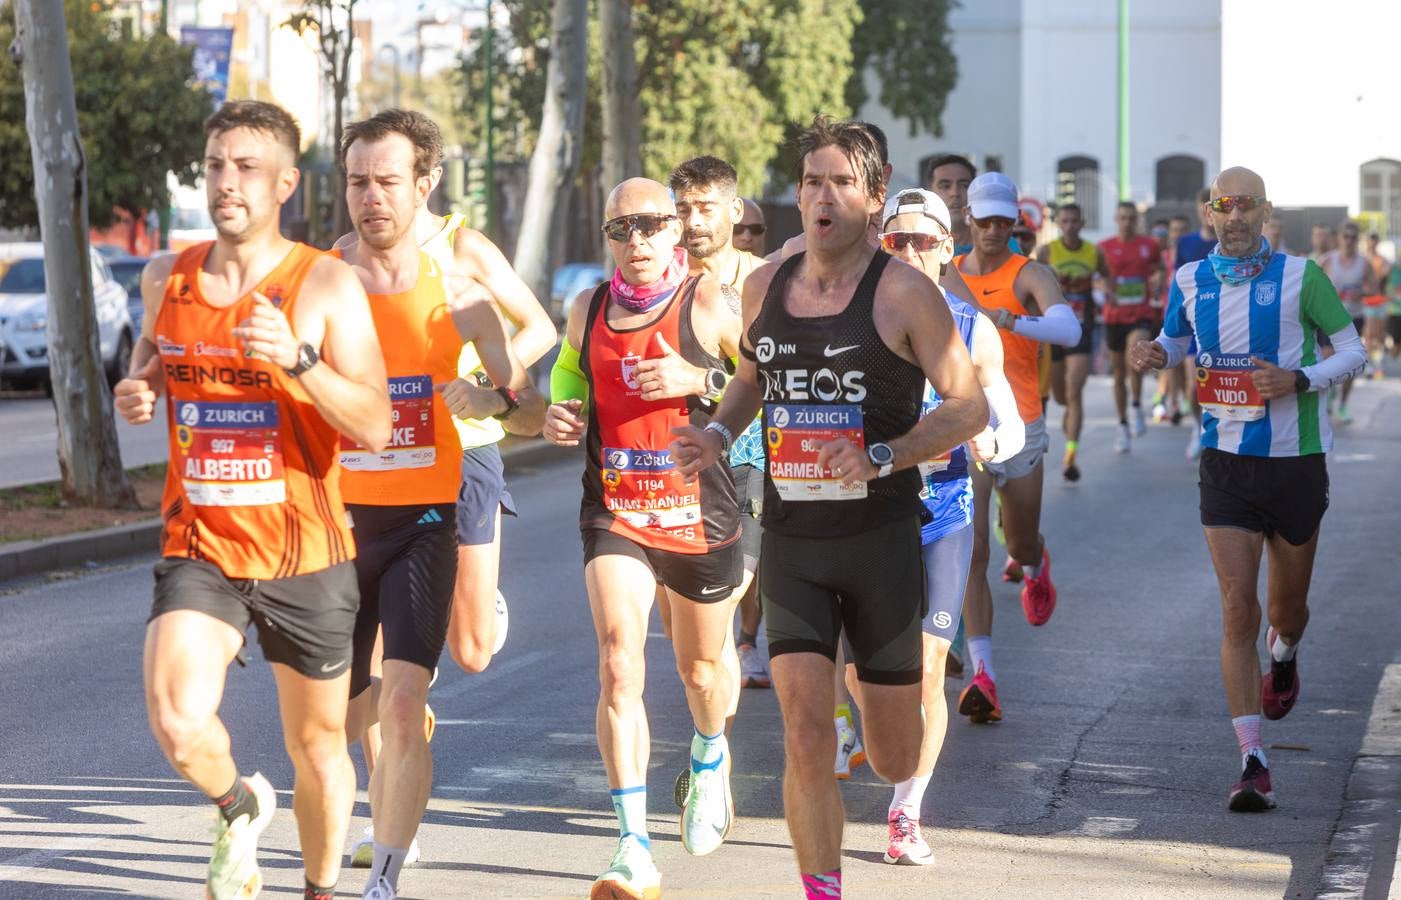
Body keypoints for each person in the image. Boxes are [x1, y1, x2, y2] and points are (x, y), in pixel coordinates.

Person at [671, 116, 987, 898]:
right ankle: (822, 889)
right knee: (804, 736)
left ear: (873, 198)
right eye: (811, 180)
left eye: (841, 182)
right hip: (793, 541)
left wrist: (883, 454)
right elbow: (753, 373)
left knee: (894, 755)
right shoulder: (765, 284)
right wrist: (716, 431)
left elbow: (968, 407)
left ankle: (888, 721)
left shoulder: (905, 292)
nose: (822, 196)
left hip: (879, 542)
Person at [114, 99, 392, 900]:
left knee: (317, 747)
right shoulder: (168, 274)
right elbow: (152, 353)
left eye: (244, 168)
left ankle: (316, 889)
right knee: (177, 716)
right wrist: (138, 386)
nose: (225, 183)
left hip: (306, 554)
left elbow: (374, 424)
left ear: (284, 184)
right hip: (200, 544)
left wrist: (297, 359)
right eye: (213, 166)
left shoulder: (325, 282)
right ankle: (237, 806)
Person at [333, 109, 545, 900]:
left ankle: (385, 873)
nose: (371, 196)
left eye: (387, 180)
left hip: (438, 494)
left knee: (435, 674)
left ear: (424, 184)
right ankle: (388, 792)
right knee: (349, 710)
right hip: (343, 516)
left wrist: (484, 388)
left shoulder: (460, 275)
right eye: (357, 180)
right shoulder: (320, 277)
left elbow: (525, 392)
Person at [1132, 166, 1364, 812]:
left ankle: (1283, 656)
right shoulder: (1189, 278)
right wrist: (1152, 352)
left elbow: (1353, 352)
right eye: (1222, 207)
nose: (1233, 218)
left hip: (1294, 463)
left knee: (1285, 614)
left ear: (1264, 212)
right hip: (1225, 464)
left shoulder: (1300, 277)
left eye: (1245, 207)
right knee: (1238, 607)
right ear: (1209, 214)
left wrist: (1298, 379)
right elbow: (1176, 339)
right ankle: (1251, 760)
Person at [544, 177, 745, 897]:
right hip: (617, 511)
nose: (636, 243)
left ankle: (709, 753)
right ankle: (632, 846)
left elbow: (762, 383)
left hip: (699, 516)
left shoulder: (709, 301)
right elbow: (567, 377)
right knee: (618, 664)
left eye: (651, 226)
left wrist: (699, 374)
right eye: (620, 229)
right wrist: (559, 411)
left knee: (701, 675)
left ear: (675, 232)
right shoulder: (586, 308)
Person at [855, 187, 1024, 866]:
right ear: (879, 245)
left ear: (948, 250)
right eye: (897, 239)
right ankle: (867, 722)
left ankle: (906, 811)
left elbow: (1006, 421)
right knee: (864, 674)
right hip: (866, 516)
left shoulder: (971, 327)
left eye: (925, 240)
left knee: (926, 669)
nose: (911, 251)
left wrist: (991, 442)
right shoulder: (852, 319)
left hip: (944, 513)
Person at [953, 172, 1081, 724]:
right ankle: (984, 673)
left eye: (1004, 221)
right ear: (968, 219)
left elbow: (1069, 330)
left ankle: (1035, 563)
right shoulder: (948, 271)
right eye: (985, 220)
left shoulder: (1027, 272)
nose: (993, 229)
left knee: (1021, 542)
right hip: (972, 423)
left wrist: (1014, 320)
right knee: (975, 549)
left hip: (1023, 426)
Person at [666, 156, 763, 812]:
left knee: (722, 615)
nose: (692, 221)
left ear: (734, 212)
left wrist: (702, 381)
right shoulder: (657, 279)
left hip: (754, 462)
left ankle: (710, 762)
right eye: (683, 208)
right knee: (689, 643)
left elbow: (775, 380)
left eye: (705, 208)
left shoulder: (766, 283)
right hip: (673, 472)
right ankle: (713, 746)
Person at [1037, 202, 1109, 481]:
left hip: (1081, 329)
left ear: (1082, 223)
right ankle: (1070, 415)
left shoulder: (1094, 252)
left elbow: (1108, 280)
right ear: (1059, 223)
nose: (1069, 226)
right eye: (1064, 221)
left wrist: (1105, 292)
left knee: (1074, 390)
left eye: (1073, 221)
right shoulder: (1047, 252)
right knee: (1060, 396)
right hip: (1053, 330)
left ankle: (1070, 458)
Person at [1099, 201, 1163, 452]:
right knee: (1118, 376)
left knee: (1133, 358)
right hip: (1114, 316)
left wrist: (1159, 284)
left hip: (1140, 313)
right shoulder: (1104, 248)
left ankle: (1136, 406)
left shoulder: (1148, 245)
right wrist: (1105, 288)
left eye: (1130, 218)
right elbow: (1098, 277)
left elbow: (1159, 267)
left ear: (1136, 220)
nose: (1126, 222)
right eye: (1122, 217)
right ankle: (1122, 424)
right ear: (1116, 219)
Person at [1319, 220, 1377, 423]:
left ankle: (1343, 405)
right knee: (1327, 357)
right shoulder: (1327, 260)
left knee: (1350, 363)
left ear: (1357, 240)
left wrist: (1360, 293)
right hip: (1330, 317)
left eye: (1353, 238)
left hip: (1354, 317)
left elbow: (1374, 289)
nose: (1349, 241)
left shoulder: (1364, 263)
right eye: (1346, 237)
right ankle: (1328, 395)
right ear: (1339, 239)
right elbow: (1312, 286)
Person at [927, 154, 978, 255]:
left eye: (964, 185)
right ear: (930, 192)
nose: (955, 193)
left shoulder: (1003, 245)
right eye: (945, 186)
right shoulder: (917, 248)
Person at [1362, 232, 1392, 379]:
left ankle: (1378, 367)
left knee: (1379, 336)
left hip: (1380, 301)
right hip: (1367, 303)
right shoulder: (1361, 259)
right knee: (1369, 335)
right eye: (1370, 241)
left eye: (1374, 241)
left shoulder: (1382, 260)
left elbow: (1386, 279)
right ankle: (1369, 367)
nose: (1372, 244)